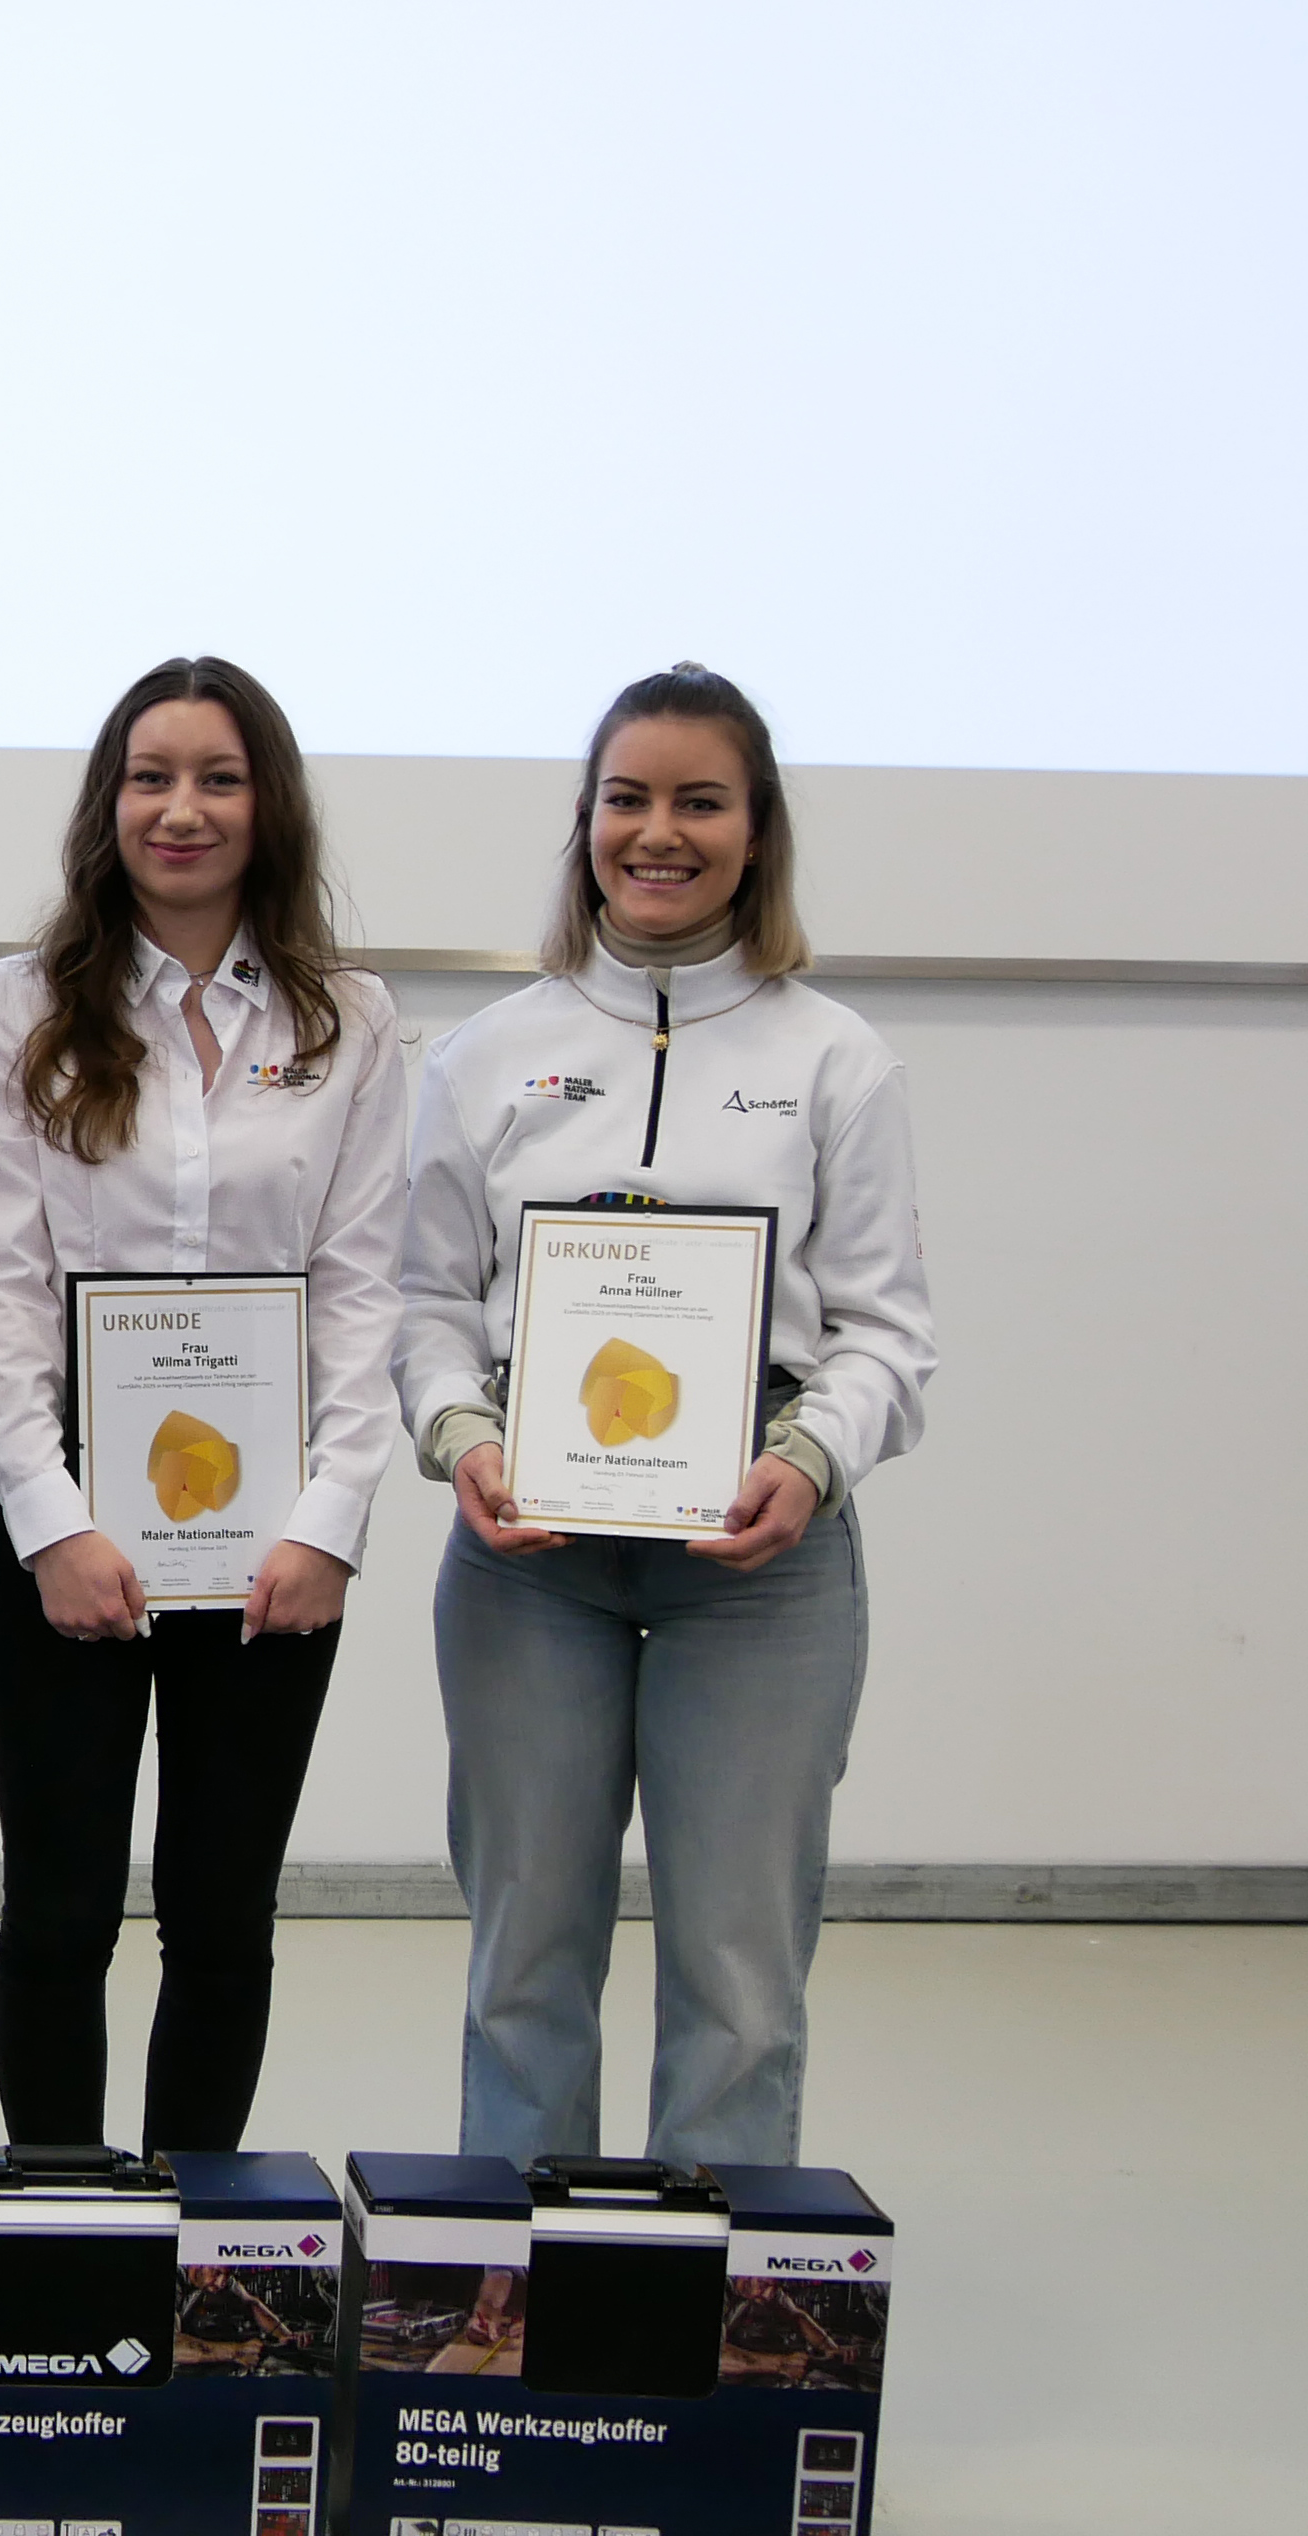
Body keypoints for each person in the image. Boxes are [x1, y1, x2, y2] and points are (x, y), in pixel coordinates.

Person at [397, 664, 934, 2168]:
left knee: (742, 1982)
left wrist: (811, 1459)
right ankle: (513, 2322)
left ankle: (715, 2335)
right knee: (523, 1968)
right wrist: (463, 1435)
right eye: (627, 799)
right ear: (586, 825)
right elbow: (426, 1303)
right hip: (527, 1557)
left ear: (756, 831)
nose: (660, 833)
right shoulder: (489, 1052)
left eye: (700, 801)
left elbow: (892, 1332)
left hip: (759, 1570)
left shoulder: (834, 1058)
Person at [0, 658, 409, 2154]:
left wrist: (332, 1524)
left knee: (221, 1918)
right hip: (66, 1529)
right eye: (151, 776)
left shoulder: (352, 1019)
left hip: (272, 1542)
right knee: (63, 1911)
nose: (183, 808)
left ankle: (200, 2254)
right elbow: (1, 1295)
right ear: (108, 802)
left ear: (268, 805)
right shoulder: (17, 1009)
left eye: (219, 776)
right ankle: (63, 2229)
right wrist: (54, 1525)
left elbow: (361, 1289)